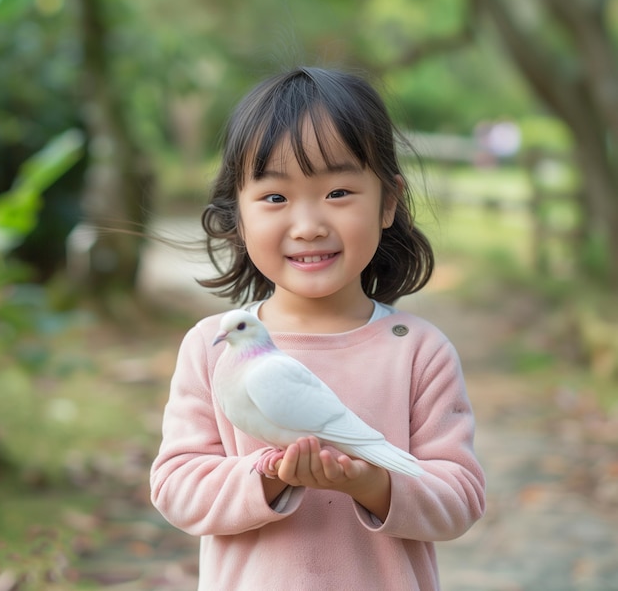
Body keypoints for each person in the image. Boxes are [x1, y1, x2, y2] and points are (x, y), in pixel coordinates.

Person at [150, 66, 486, 590]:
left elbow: (459, 498)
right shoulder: (210, 349)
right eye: (275, 197)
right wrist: (265, 474)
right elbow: (176, 487)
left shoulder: (419, 352)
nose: (308, 226)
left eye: (338, 192)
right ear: (238, 214)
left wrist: (373, 482)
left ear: (388, 202)